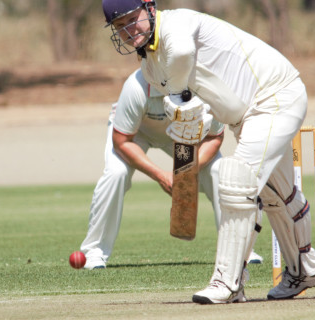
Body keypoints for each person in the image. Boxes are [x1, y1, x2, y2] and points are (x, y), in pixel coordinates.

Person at [100, 0, 315, 303]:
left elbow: (182, 53)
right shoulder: (150, 68)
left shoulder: (177, 24)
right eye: (119, 26)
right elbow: (194, 113)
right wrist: (187, 139)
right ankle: (306, 267)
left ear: (150, 7)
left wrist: (177, 95)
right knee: (276, 193)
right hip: (245, 117)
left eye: (131, 19)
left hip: (274, 96)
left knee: (236, 183)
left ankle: (228, 281)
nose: (128, 30)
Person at [80, 68, 264, 269]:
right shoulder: (136, 86)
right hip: (135, 133)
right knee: (116, 174)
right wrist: (161, 176)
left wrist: (187, 173)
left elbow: (214, 137)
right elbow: (121, 142)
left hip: (182, 135)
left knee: (219, 171)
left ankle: (240, 250)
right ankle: (94, 251)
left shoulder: (203, 86)